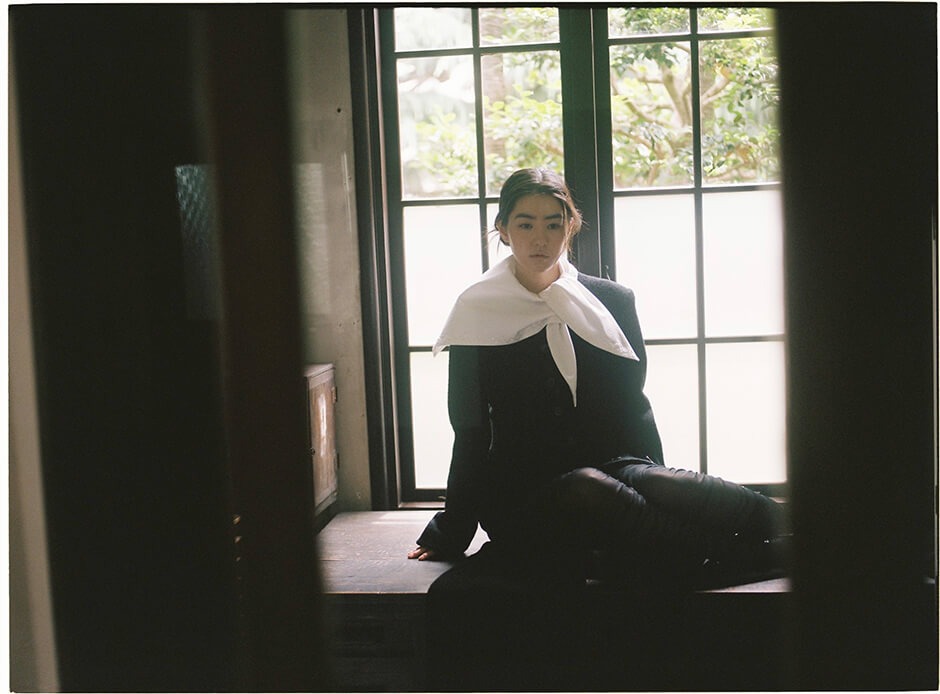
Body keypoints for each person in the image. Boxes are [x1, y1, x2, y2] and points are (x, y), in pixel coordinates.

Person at [407, 167, 788, 587]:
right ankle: (748, 556)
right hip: (524, 494)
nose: (540, 239)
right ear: (503, 229)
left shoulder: (611, 301)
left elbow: (634, 407)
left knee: (665, 482)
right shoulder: (476, 310)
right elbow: (470, 431)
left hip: (612, 466)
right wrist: (452, 529)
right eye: (525, 224)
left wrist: (654, 489)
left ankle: (809, 525)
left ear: (570, 226)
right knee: (587, 486)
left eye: (553, 224)